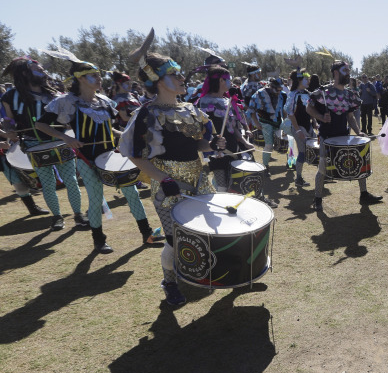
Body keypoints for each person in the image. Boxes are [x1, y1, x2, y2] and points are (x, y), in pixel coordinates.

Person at [120, 29, 223, 306]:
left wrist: (213, 145)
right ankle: (169, 282)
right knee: (175, 239)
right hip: (168, 184)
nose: (182, 79)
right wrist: (163, 179)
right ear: (157, 81)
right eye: (174, 75)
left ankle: (207, 270)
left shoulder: (190, 110)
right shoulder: (147, 114)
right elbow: (135, 154)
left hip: (199, 178)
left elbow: (198, 146)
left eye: (180, 74)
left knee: (209, 230)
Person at [35, 50, 163, 253]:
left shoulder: (104, 101)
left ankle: (147, 234)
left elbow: (106, 127)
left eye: (98, 75)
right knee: (95, 199)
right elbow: (41, 125)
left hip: (111, 154)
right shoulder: (65, 102)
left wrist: (121, 134)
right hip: (86, 158)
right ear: (80, 78)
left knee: (132, 193)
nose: (99, 79)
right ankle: (99, 240)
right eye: (93, 76)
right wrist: (66, 138)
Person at [1, 57, 84, 229]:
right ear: (24, 73)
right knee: (47, 183)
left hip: (61, 140)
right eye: (38, 69)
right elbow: (8, 120)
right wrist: (9, 130)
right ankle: (57, 217)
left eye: (42, 69)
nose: (44, 72)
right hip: (33, 144)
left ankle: (78, 215)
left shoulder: (53, 94)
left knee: (71, 180)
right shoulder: (10, 96)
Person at [306, 59, 382, 212]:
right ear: (335, 73)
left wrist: (358, 131)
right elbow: (309, 108)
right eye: (345, 71)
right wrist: (321, 118)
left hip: (344, 136)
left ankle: (364, 194)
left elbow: (350, 116)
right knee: (322, 169)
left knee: (359, 162)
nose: (348, 74)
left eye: (348, 71)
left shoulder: (349, 94)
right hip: (326, 137)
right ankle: (318, 198)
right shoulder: (323, 92)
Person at [197, 65, 255, 192]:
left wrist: (244, 142)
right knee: (222, 188)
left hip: (233, 147)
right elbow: (205, 130)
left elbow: (231, 127)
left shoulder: (226, 100)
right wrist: (212, 149)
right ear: (221, 81)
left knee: (235, 184)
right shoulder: (205, 102)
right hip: (217, 151)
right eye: (228, 79)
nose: (231, 82)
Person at [249, 76, 288, 169]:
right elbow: (251, 110)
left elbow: (284, 110)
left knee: (287, 142)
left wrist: (285, 123)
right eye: (277, 90)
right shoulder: (259, 94)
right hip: (265, 122)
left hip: (278, 121)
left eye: (280, 89)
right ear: (271, 86)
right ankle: (265, 166)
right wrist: (256, 123)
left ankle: (290, 163)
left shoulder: (283, 95)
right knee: (269, 145)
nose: (279, 92)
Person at [284, 68, 313, 187]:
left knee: (314, 147)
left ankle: (323, 173)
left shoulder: (307, 93)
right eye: (306, 79)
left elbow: (311, 110)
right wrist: (298, 129)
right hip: (298, 126)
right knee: (302, 152)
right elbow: (290, 114)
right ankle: (298, 178)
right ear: (299, 80)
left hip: (308, 125)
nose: (308, 81)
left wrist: (314, 122)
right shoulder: (292, 94)